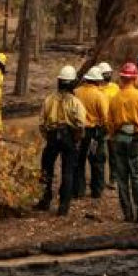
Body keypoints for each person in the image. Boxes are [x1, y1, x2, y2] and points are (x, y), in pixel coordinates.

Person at [107, 61, 138, 223]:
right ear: (135, 78)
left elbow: (109, 122)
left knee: (122, 177)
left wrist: (113, 137)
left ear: (122, 78)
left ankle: (127, 213)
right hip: (135, 138)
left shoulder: (115, 98)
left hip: (119, 138)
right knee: (137, 175)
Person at [36, 65, 87, 215]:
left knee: (46, 170)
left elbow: (41, 123)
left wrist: (48, 136)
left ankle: (45, 200)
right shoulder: (75, 102)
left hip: (52, 137)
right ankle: (63, 206)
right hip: (69, 138)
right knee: (68, 171)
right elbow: (81, 124)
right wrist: (76, 140)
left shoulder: (49, 100)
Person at [75, 65, 110, 198]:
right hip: (94, 133)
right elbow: (105, 117)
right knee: (97, 162)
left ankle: (79, 190)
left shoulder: (76, 92)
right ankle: (96, 190)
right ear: (98, 81)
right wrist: (105, 130)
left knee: (79, 161)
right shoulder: (100, 96)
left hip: (78, 131)